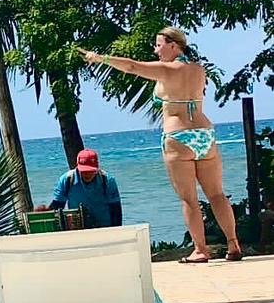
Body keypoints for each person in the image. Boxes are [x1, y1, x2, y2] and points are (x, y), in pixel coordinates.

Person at [78, 27, 242, 264]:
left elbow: (132, 66)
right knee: (216, 194)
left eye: (158, 45)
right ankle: (233, 244)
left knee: (189, 199)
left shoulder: (167, 70)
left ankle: (200, 250)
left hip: (179, 136)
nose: (156, 51)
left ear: (174, 45)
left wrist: (100, 58)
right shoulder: (198, 69)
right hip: (205, 133)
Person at [43, 148, 122, 229]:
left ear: (97, 168)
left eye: (90, 171)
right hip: (77, 228)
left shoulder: (107, 180)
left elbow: (116, 210)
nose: (87, 174)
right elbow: (57, 206)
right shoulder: (67, 180)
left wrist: (116, 231)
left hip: (104, 227)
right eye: (83, 171)